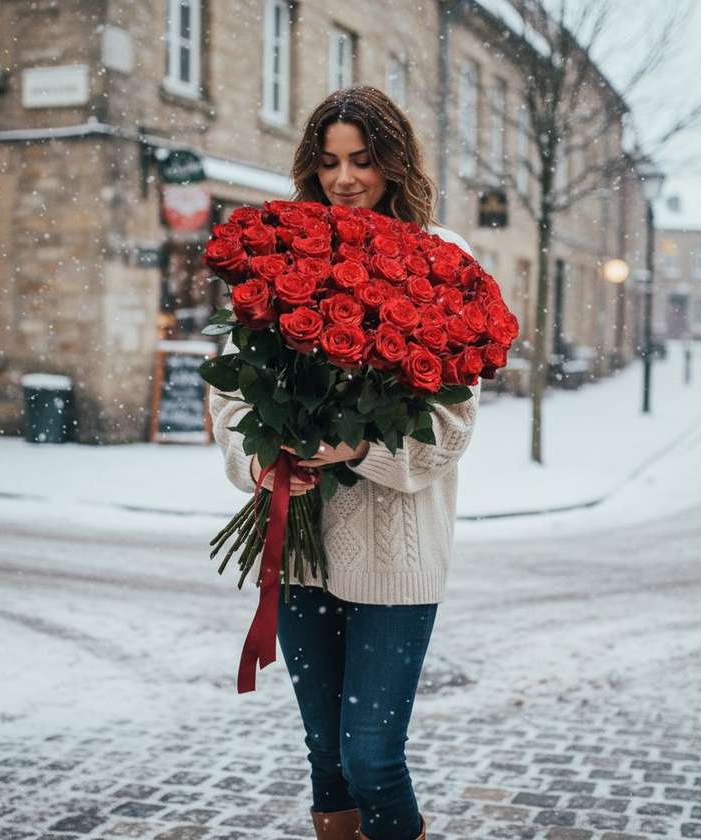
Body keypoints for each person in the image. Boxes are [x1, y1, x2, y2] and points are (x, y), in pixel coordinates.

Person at [209, 86, 481, 840]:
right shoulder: (285, 248)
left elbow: (453, 425)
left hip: (397, 556)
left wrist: (360, 447)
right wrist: (261, 462)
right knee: (326, 758)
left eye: (362, 160)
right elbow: (230, 396)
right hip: (302, 549)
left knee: (372, 759)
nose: (345, 179)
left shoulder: (443, 256)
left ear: (394, 162)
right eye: (328, 163)